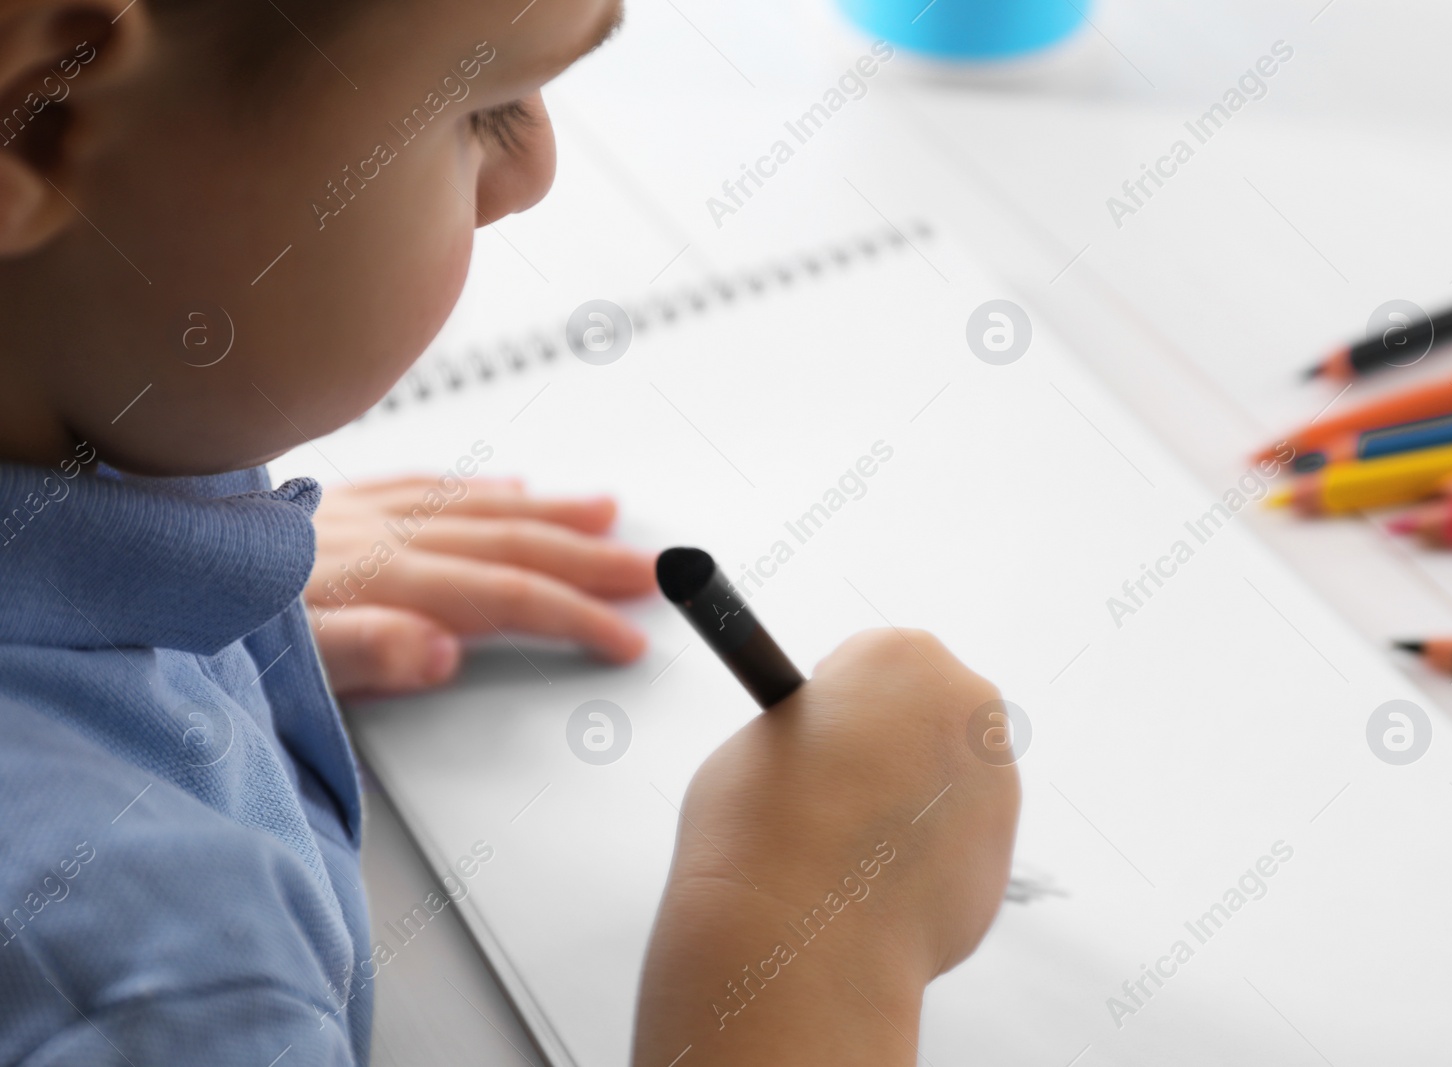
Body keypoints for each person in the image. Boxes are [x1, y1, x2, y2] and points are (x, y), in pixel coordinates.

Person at [0, 0, 1020, 1062]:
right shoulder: (154, 988)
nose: (533, 172)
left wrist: (179, 618)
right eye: (485, 109)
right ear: (41, 123)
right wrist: (812, 937)